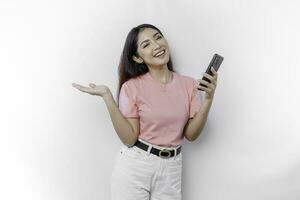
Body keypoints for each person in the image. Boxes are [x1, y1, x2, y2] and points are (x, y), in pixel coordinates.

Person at [72, 23, 218, 200]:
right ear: (138, 58)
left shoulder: (189, 85)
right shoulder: (132, 87)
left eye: (158, 37)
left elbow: (191, 135)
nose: (156, 46)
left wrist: (209, 99)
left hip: (172, 167)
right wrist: (108, 97)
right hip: (137, 165)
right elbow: (129, 138)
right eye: (146, 44)